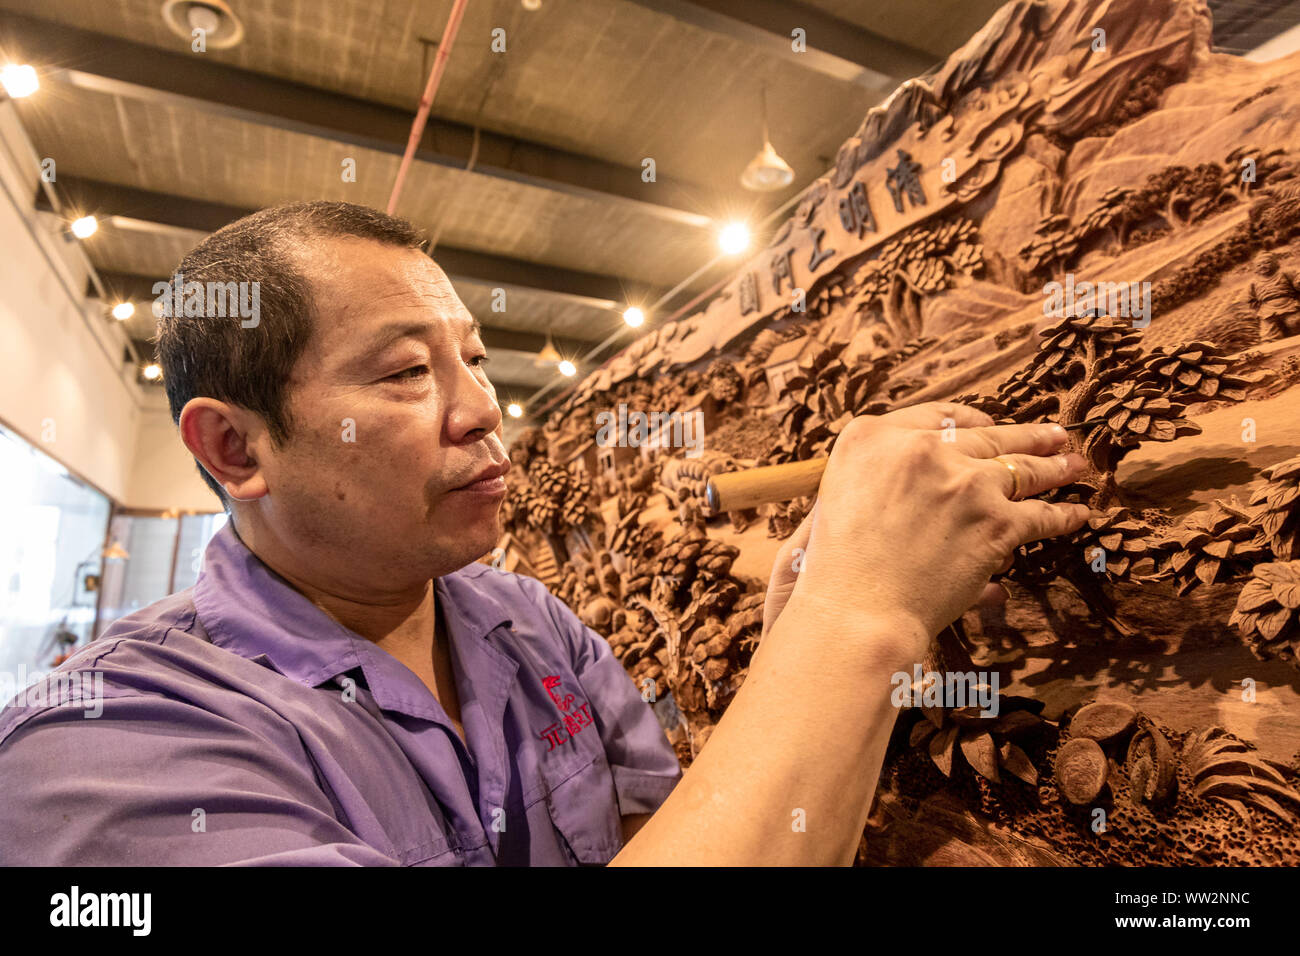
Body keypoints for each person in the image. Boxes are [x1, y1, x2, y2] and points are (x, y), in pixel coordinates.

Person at [0, 201, 1089, 865]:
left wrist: (813, 631)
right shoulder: (102, 750)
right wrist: (859, 617)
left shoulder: (535, 627)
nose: (480, 408)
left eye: (472, 357)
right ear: (237, 450)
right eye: (403, 372)